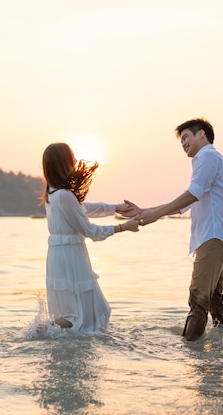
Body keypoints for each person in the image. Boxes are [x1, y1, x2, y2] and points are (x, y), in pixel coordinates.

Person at [123, 118, 223, 341]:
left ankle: (189, 352)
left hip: (213, 237)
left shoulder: (207, 156)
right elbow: (187, 203)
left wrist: (156, 214)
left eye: (186, 137)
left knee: (198, 299)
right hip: (216, 236)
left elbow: (193, 194)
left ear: (202, 135)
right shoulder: (206, 160)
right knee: (214, 300)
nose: (183, 143)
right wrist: (145, 211)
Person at [41, 142, 139, 333]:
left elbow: (83, 209)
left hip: (60, 255)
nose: (76, 161)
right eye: (72, 157)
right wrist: (123, 227)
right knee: (87, 313)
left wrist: (116, 207)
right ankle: (39, 330)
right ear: (63, 163)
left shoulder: (52, 193)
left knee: (81, 313)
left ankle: (47, 332)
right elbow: (90, 230)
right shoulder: (64, 195)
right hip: (71, 257)